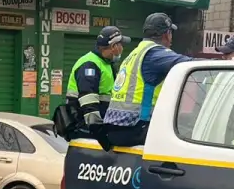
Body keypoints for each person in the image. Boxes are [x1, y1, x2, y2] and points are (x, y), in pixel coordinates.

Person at [103, 12, 193, 148]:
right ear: (166, 34)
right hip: (136, 128)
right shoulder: (155, 54)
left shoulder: (135, 53)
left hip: (116, 129)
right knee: (189, 136)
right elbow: (190, 64)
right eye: (170, 34)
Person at [66, 25, 130, 131]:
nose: (122, 49)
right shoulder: (89, 64)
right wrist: (97, 130)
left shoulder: (107, 64)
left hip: (102, 123)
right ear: (114, 46)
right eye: (121, 45)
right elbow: (88, 101)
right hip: (85, 128)